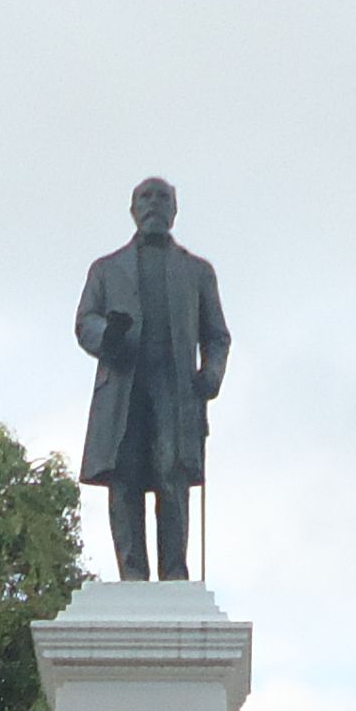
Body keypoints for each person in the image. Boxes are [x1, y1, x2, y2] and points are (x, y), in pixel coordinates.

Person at [74, 176, 230, 581]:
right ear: (133, 209)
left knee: (171, 472)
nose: (154, 204)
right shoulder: (106, 269)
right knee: (123, 477)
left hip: (174, 390)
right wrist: (107, 334)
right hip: (124, 388)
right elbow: (85, 321)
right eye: (146, 197)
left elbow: (216, 334)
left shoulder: (197, 272)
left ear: (174, 211)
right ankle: (132, 575)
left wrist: (211, 374)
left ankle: (175, 573)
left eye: (163, 198)